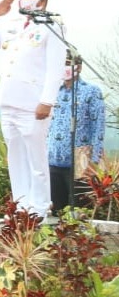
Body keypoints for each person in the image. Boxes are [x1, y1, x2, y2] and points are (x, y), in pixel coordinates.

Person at [0, 0, 67, 220]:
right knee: (15, 155)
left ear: (42, 0)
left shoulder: (52, 27)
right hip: (9, 100)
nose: (24, 0)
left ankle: (39, 208)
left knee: (36, 158)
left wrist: (47, 101)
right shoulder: (13, 25)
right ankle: (21, 207)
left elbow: (55, 67)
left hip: (33, 103)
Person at [47, 52, 106, 215]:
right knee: (58, 210)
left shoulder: (91, 91)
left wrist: (94, 161)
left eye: (67, 64)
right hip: (53, 157)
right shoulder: (52, 91)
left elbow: (98, 126)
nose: (63, 68)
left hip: (81, 158)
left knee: (80, 210)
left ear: (78, 67)